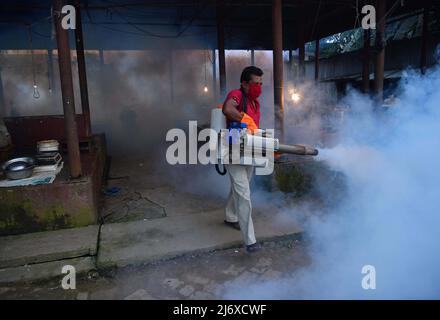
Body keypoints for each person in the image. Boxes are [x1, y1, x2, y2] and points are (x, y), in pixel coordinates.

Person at [221, 66, 263, 253]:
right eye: (255, 83)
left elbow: (253, 130)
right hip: (233, 149)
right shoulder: (236, 94)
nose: (259, 86)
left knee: (240, 186)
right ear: (245, 83)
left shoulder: (255, 103)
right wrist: (244, 118)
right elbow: (227, 108)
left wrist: (266, 146)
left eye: (261, 83)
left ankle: (230, 216)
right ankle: (250, 241)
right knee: (244, 194)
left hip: (249, 150)